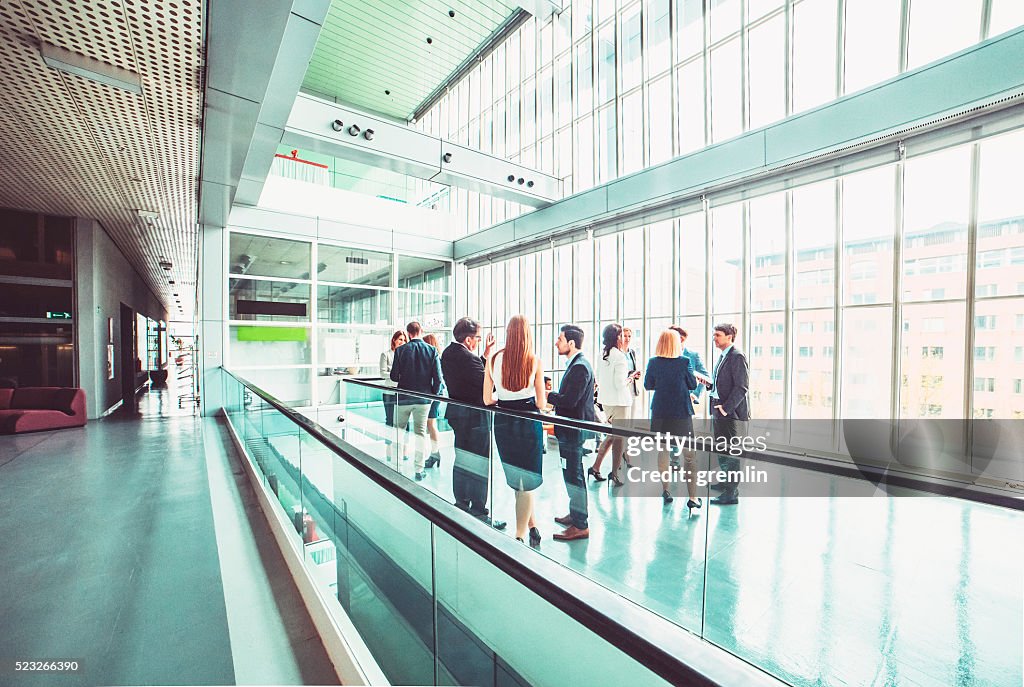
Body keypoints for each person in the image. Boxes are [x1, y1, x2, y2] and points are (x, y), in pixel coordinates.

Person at [484, 315, 546, 545]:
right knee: (527, 481)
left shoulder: (493, 359)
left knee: (518, 479)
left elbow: (486, 399)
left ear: (508, 333)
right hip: (528, 423)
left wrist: (504, 397)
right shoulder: (534, 361)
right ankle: (519, 536)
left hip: (503, 422)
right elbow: (541, 403)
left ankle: (533, 526)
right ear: (527, 334)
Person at [440, 317, 505, 530]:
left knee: (462, 459)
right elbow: (484, 384)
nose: (478, 341)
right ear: (468, 340)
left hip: (458, 415)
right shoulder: (468, 359)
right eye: (477, 338)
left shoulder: (448, 353)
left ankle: (461, 502)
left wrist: (485, 355)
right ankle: (479, 510)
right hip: (475, 418)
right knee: (479, 464)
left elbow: (472, 375)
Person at [548, 324, 597, 541]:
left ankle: (580, 524)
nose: (556, 343)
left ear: (571, 343)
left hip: (573, 430)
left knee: (574, 475)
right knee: (572, 473)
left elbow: (569, 400)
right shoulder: (576, 364)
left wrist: (548, 394)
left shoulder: (580, 367)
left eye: (559, 339)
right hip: (571, 429)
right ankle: (576, 514)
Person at [644, 330, 698, 508]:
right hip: (681, 413)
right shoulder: (684, 362)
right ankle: (692, 498)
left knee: (664, 451)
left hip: (660, 413)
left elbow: (648, 385)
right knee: (689, 456)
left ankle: (666, 490)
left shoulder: (653, 362)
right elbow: (692, 384)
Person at [390, 321, 443, 481]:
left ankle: (396, 468)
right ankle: (419, 470)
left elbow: (393, 376)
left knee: (398, 432)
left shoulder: (400, 351)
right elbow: (438, 379)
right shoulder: (432, 350)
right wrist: (432, 395)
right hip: (423, 400)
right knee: (420, 434)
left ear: (408, 333)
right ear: (421, 331)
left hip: (403, 399)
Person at [706, 323, 750, 505]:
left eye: (717, 335)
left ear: (729, 336)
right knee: (722, 449)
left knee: (731, 452)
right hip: (719, 410)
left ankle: (731, 493)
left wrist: (725, 409)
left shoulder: (737, 356)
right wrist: (710, 385)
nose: (714, 338)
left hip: (729, 413)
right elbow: (724, 383)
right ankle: (726, 482)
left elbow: (742, 387)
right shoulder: (724, 356)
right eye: (714, 335)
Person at [590, 323, 633, 486]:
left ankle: (596, 467)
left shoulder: (602, 354)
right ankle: (615, 473)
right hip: (620, 402)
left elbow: (599, 379)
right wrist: (630, 379)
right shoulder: (620, 357)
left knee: (612, 435)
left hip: (607, 402)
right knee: (619, 440)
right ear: (618, 337)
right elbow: (619, 384)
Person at [380, 330, 406, 461]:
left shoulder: (406, 355)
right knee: (389, 421)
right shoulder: (386, 355)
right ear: (394, 340)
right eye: (400, 339)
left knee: (403, 423)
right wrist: (397, 375)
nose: (402, 342)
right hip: (389, 393)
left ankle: (404, 451)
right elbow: (382, 373)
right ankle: (389, 452)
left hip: (403, 393)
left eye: (404, 340)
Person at [421, 333, 446, 468]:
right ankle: (434, 453)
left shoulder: (434, 358)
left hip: (433, 395)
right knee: (430, 424)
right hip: (434, 394)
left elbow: (437, 380)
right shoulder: (436, 357)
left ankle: (435, 453)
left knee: (431, 424)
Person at [622, 327, 642, 415]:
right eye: (625, 336)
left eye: (629, 336)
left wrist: (636, 374)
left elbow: (633, 367)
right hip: (622, 387)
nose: (627, 339)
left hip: (632, 387)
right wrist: (630, 374)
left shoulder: (632, 352)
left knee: (632, 416)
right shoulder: (617, 353)